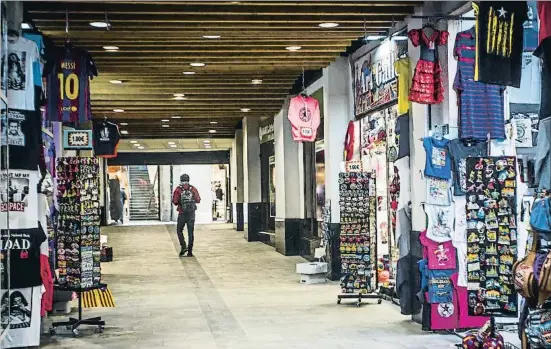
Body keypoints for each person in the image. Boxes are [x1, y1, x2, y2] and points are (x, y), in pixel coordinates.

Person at [172, 174, 201, 257]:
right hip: (191, 214)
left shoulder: (178, 189)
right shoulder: (193, 189)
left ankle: (183, 246)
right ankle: (190, 251)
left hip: (182, 213)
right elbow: (198, 200)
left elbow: (175, 201)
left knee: (179, 230)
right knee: (190, 232)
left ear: (181, 180)